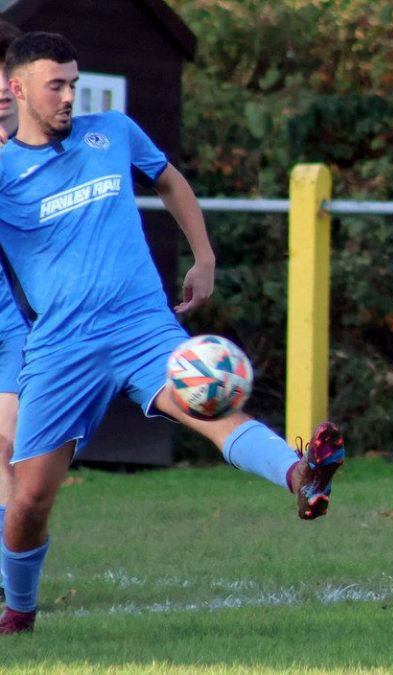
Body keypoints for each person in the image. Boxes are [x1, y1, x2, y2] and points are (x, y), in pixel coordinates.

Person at [0, 32, 347, 634]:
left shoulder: (112, 132)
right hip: (61, 349)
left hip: (142, 327)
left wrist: (203, 256)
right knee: (29, 501)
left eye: (74, 84)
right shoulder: (5, 172)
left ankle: (301, 476)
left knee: (213, 409)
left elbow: (169, 182)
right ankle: (20, 609)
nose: (69, 97)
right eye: (56, 86)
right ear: (18, 89)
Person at [0, 18, 28, 604]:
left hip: (19, 323)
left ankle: (9, 577)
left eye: (8, 73)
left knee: (4, 446)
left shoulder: (42, 152)